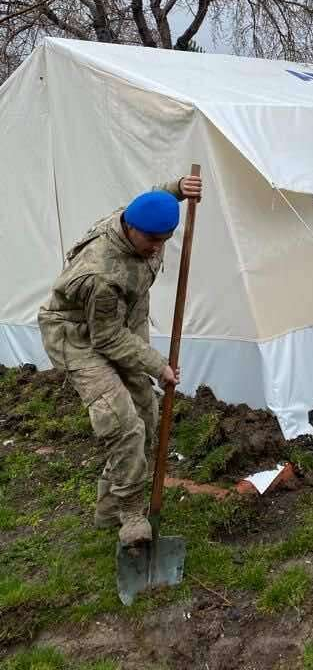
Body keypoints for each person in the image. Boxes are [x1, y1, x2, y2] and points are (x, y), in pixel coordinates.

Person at [38, 173, 202, 546]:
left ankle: (108, 506)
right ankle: (129, 512)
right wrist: (156, 364)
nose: (157, 248)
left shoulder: (138, 220)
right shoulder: (101, 274)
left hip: (118, 325)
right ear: (130, 227)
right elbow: (106, 338)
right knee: (123, 422)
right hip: (76, 338)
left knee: (145, 410)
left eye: (164, 240)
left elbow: (152, 199)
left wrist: (178, 188)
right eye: (151, 240)